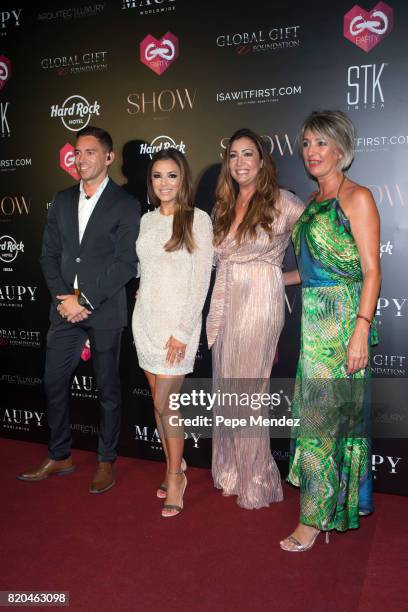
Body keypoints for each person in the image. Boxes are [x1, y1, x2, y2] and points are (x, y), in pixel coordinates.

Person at [17, 126, 141, 494]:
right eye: (77, 151)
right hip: (64, 311)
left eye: (90, 152)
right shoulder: (61, 198)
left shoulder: (125, 204)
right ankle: (60, 455)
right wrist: (63, 299)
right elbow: (48, 255)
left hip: (102, 310)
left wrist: (83, 300)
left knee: (107, 390)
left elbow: (125, 263)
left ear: (108, 157)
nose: (81, 158)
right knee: (53, 382)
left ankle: (106, 461)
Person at [280, 110, 381, 551]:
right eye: (306, 143)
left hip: (341, 327)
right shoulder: (314, 201)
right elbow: (313, 271)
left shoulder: (357, 197)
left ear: (342, 148)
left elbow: (372, 273)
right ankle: (331, 505)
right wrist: (273, 279)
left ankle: (313, 519)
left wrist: (360, 331)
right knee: (321, 421)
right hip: (313, 326)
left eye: (321, 143)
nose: (312, 152)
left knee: (322, 425)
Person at [207, 128, 304, 509]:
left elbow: (319, 255)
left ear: (262, 160)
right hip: (227, 299)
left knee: (249, 390)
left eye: (248, 154)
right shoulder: (224, 204)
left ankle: (256, 480)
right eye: (233, 155)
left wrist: (280, 277)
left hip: (260, 302)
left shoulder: (284, 202)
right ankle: (230, 471)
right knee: (227, 386)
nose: (240, 162)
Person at [132, 148, 213, 517]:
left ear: (183, 179)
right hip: (145, 319)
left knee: (168, 404)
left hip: (177, 327)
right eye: (157, 176)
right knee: (156, 400)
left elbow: (200, 282)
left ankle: (174, 476)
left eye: (171, 176)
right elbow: (147, 268)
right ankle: (175, 466)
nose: (164, 183)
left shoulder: (198, 219)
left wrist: (182, 331)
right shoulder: (147, 221)